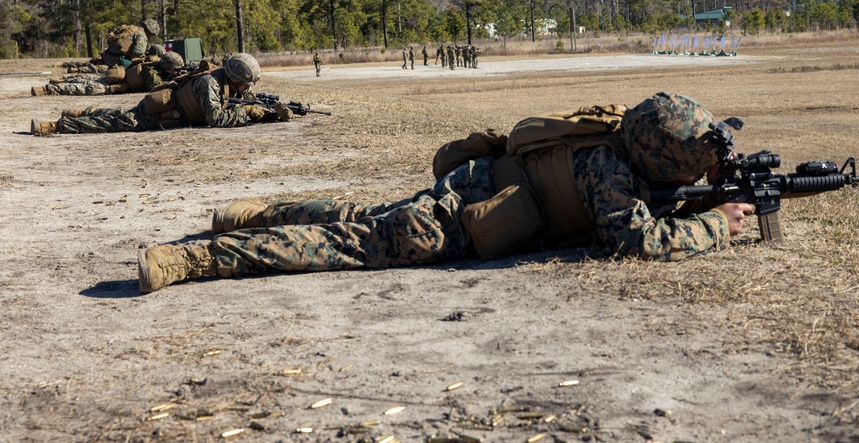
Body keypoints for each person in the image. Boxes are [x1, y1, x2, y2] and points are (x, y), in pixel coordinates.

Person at [135, 92, 752, 293]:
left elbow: (648, 207)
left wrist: (702, 198)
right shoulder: (608, 172)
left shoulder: (617, 142)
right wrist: (718, 222)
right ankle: (193, 259)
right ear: (661, 155)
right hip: (459, 218)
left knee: (363, 215)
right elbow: (636, 243)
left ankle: (256, 212)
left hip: (473, 184)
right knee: (350, 243)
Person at [29, 53, 294, 136]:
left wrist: (270, 111)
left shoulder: (223, 80)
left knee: (117, 115)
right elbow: (216, 119)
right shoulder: (211, 84)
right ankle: (54, 126)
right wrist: (249, 114)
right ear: (237, 79)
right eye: (246, 84)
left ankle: (77, 112)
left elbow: (242, 102)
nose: (248, 90)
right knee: (112, 123)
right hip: (161, 116)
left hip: (166, 111)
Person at [33, 51, 186, 97]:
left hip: (118, 77)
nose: (176, 72)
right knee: (85, 88)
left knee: (85, 80)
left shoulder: (155, 66)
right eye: (174, 69)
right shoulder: (150, 70)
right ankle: (48, 89)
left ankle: (59, 81)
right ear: (166, 66)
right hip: (115, 84)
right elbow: (156, 86)